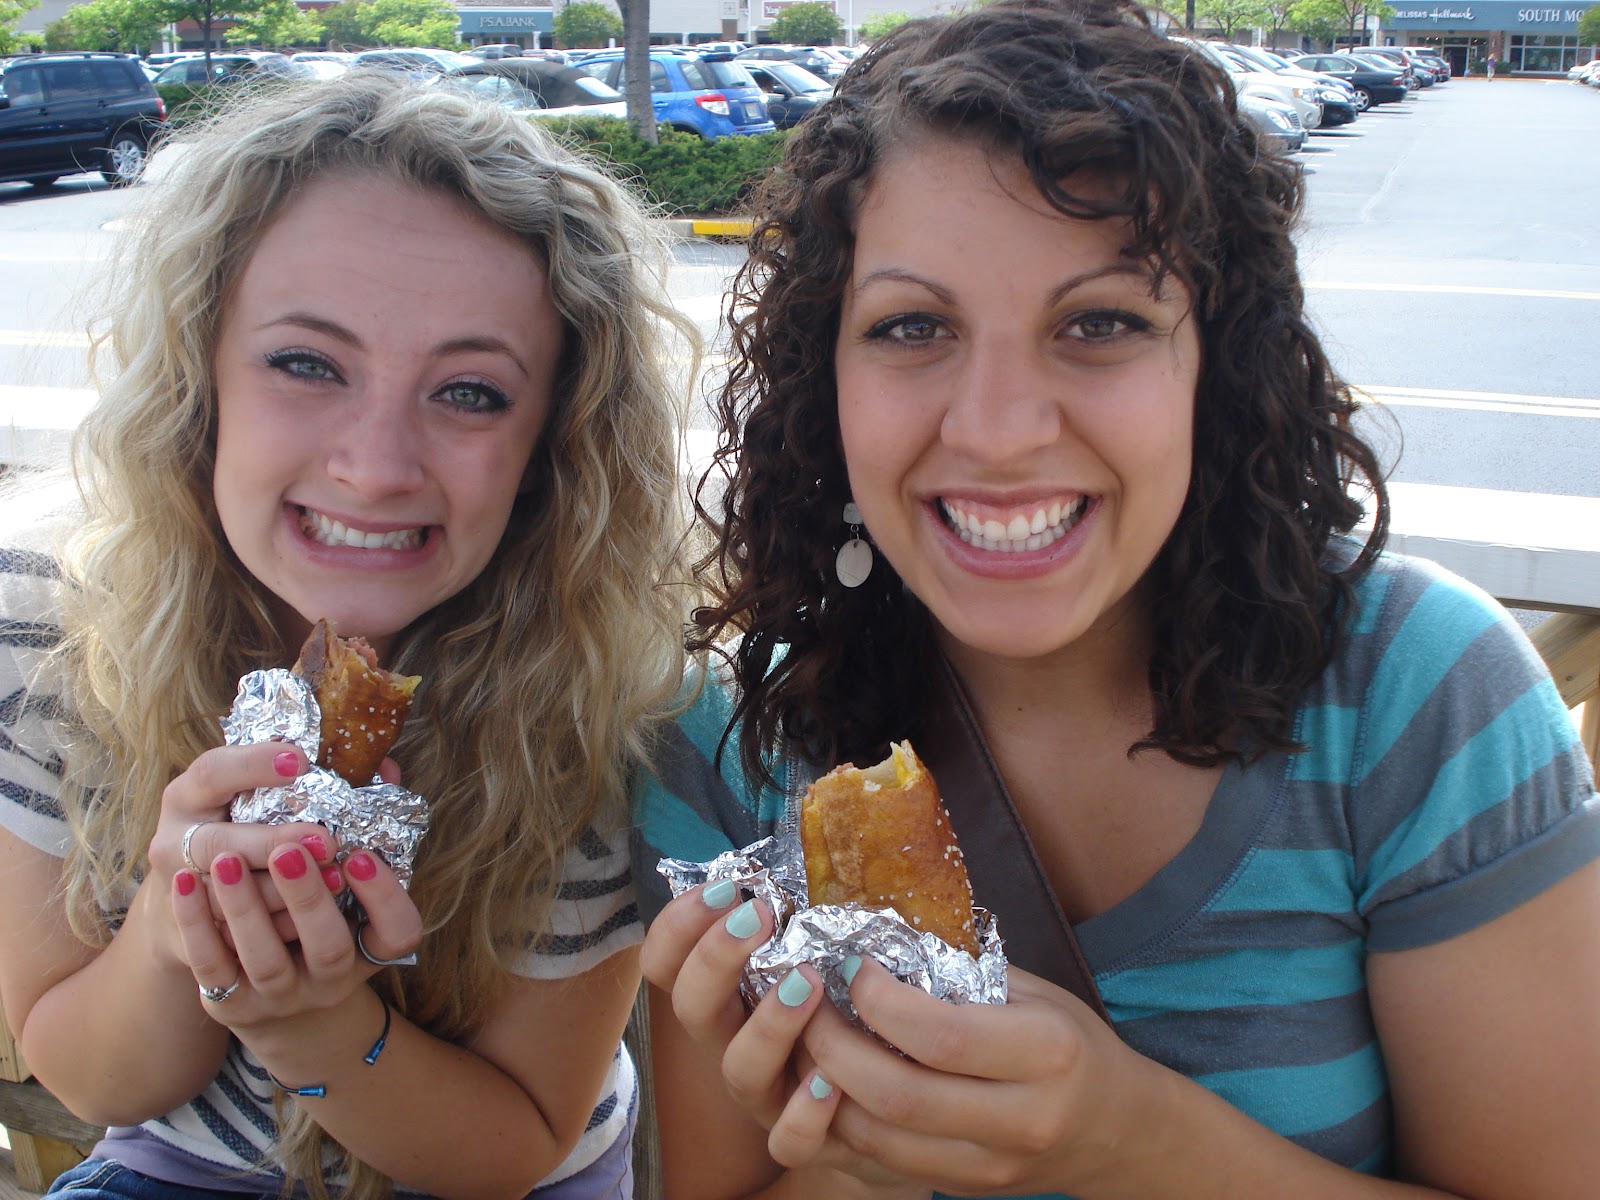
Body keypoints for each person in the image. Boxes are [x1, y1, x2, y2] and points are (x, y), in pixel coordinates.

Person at [631, 1, 1600, 1197]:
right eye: (912, 326)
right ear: (822, 380)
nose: (997, 431)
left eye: (1100, 322)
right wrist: (867, 1140)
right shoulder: (728, 744)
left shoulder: (1421, 697)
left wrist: (1128, 1137)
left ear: (1214, 367)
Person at [0, 71, 696, 1200]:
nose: (374, 469)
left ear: (550, 447)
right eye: (306, 364)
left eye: (469, 392)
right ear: (199, 381)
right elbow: (89, 1078)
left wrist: (315, 1024)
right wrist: (178, 933)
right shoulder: (53, 617)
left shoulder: (604, 692)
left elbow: (512, 1146)